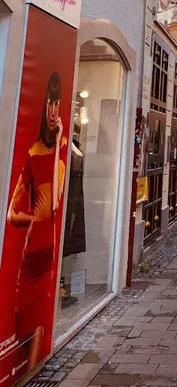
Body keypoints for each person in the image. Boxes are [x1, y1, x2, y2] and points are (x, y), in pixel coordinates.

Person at [8, 72, 67, 371]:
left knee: (41, 310)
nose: (54, 111)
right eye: (50, 103)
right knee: (21, 315)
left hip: (48, 245)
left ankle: (31, 371)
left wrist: (58, 145)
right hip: (32, 247)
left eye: (58, 103)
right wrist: (32, 217)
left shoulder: (61, 152)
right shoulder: (32, 152)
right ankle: (20, 369)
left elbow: (56, 201)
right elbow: (11, 213)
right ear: (44, 106)